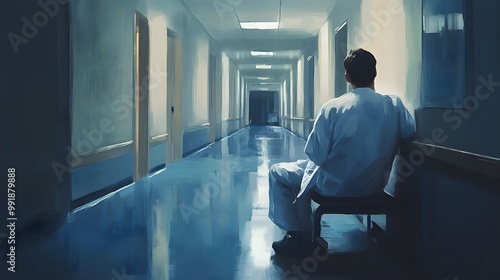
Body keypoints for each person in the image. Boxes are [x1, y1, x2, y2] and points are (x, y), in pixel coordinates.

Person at [268, 48, 416, 257]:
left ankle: (297, 238)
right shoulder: (394, 105)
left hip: (332, 188)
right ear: (375, 73)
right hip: (372, 189)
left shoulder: (333, 108)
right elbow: (410, 133)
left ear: (347, 76)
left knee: (277, 172)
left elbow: (316, 155)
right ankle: (299, 236)